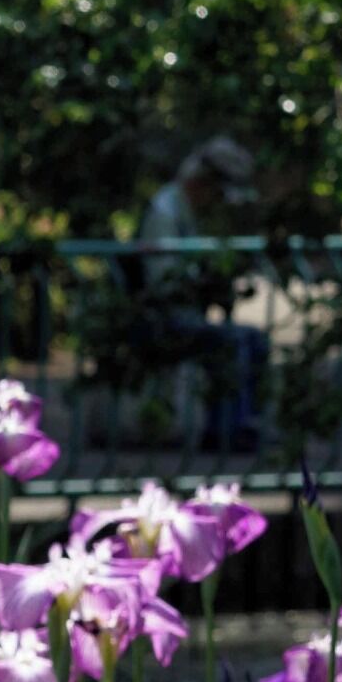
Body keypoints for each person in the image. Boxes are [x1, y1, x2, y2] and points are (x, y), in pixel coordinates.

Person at [136, 137, 267, 451]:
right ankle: (225, 432)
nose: (216, 201)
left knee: (254, 339)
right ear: (201, 183)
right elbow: (163, 280)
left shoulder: (185, 210)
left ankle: (241, 422)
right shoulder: (165, 212)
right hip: (159, 318)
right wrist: (203, 284)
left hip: (183, 313)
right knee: (230, 341)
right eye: (215, 192)